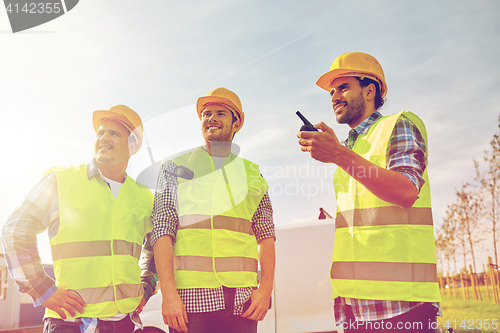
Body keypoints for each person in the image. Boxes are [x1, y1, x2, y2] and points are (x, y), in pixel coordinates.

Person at [297, 52, 441, 332]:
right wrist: (340, 152)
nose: (334, 96)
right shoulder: (350, 148)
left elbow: (407, 190)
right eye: (331, 91)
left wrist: (338, 154)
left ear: (369, 90)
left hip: (401, 304)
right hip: (353, 304)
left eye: (343, 87)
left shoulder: (397, 125)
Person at [2, 105, 157, 333]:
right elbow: (16, 228)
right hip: (71, 323)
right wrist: (42, 289)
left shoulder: (144, 195)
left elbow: (155, 246)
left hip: (126, 322)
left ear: (133, 145)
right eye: (100, 133)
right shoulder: (61, 180)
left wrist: (146, 286)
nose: (103, 138)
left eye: (114, 134)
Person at [151, 87, 275, 333]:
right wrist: (168, 294)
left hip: (242, 300)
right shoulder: (173, 168)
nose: (212, 118)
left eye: (221, 113)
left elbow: (266, 235)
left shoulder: (252, 174)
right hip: (190, 300)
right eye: (206, 113)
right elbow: (161, 230)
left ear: (236, 122)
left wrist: (265, 290)